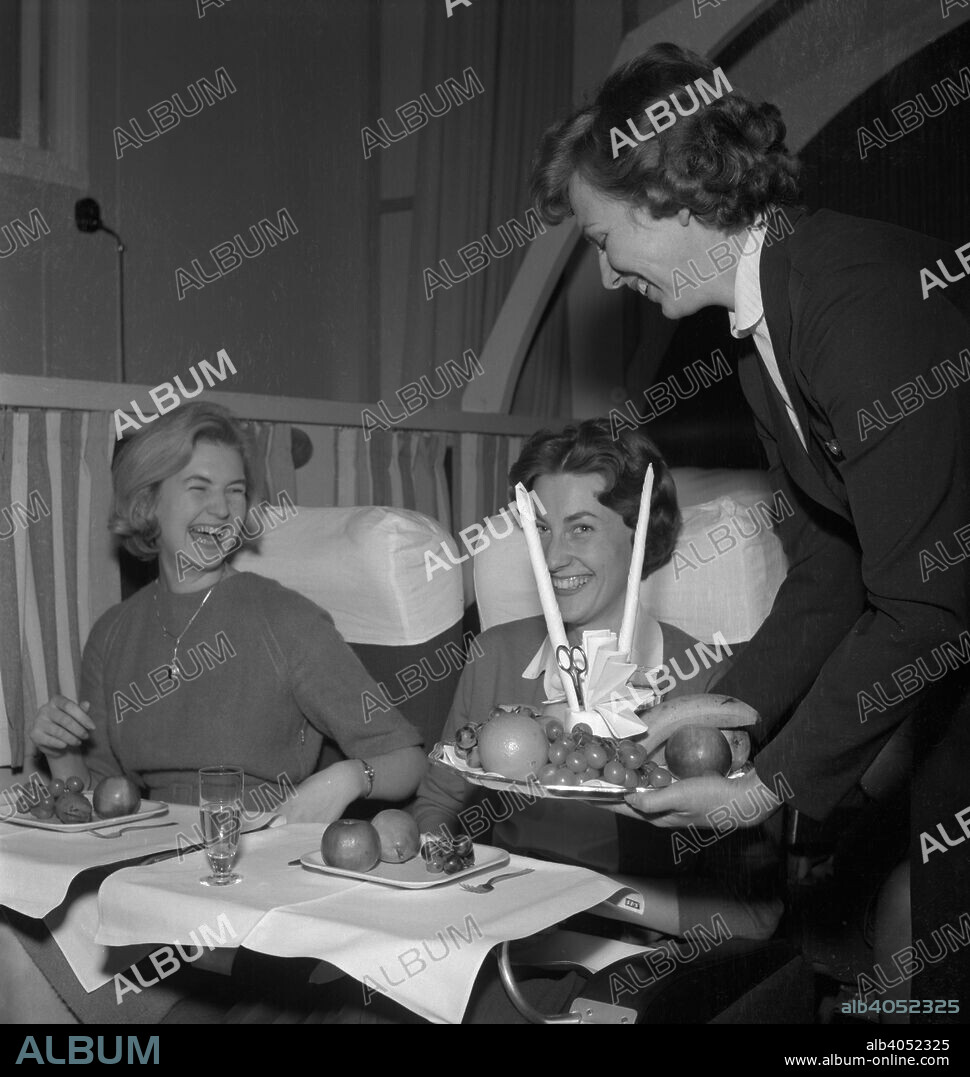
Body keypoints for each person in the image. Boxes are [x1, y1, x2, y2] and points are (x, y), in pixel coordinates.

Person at [529, 42, 970, 1020]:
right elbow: (830, 563)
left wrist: (764, 789)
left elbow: (929, 599)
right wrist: (730, 708)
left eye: (604, 239)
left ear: (675, 197)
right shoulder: (761, 324)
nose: (604, 276)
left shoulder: (857, 300)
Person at [413, 418, 783, 945]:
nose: (554, 555)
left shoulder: (705, 684)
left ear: (639, 536)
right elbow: (436, 805)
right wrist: (437, 864)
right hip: (496, 938)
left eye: (581, 527)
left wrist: (588, 895)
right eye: (540, 528)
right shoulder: (495, 654)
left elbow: (754, 916)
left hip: (638, 959)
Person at [29, 402, 427, 819]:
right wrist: (62, 751)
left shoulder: (287, 619)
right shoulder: (112, 633)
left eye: (234, 490)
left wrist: (347, 778)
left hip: (259, 855)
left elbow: (407, 761)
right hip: (146, 857)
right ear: (148, 502)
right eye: (199, 488)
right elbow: (101, 800)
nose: (221, 510)